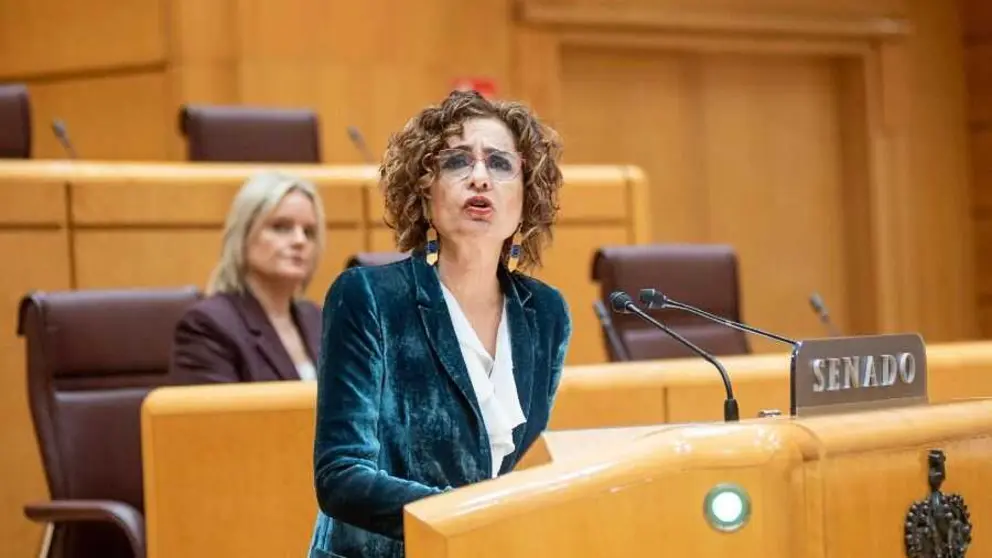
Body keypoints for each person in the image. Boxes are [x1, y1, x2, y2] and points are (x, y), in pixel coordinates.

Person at [307, 90, 572, 558]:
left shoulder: (545, 313)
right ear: (424, 191)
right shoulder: (368, 298)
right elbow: (341, 477)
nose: (480, 178)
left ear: (525, 196)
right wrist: (470, 517)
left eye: (500, 164)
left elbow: (520, 467)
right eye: (456, 163)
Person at [170, 171, 326, 383]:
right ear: (243, 236)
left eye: (309, 232)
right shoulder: (209, 326)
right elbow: (214, 416)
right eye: (281, 227)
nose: (300, 241)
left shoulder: (320, 320)